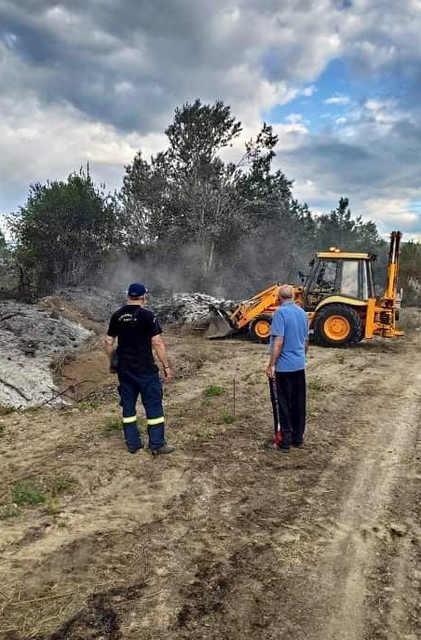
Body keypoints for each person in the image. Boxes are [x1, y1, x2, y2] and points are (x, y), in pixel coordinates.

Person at [105, 283, 175, 456]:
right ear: (144, 296)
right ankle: (157, 445)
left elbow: (108, 341)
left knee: (128, 407)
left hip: (125, 370)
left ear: (127, 295)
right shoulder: (147, 315)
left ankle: (133, 444)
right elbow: (157, 342)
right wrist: (166, 366)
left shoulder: (117, 315)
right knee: (153, 406)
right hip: (145, 370)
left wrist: (113, 362)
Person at [266, 284, 309, 452]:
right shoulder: (302, 314)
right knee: (299, 402)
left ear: (278, 297)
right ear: (293, 296)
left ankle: (285, 441)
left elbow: (279, 341)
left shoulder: (280, 314)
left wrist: (271, 365)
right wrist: (301, 357)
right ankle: (298, 438)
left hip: (283, 369)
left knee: (282, 404)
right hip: (299, 366)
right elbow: (306, 341)